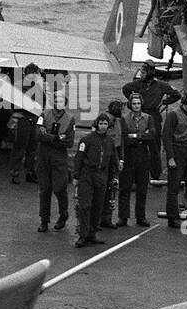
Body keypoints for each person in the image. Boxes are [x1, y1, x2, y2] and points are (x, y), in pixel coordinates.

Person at [122, 63, 180, 180]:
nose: (141, 74)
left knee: (155, 146)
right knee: (136, 143)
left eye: (143, 72)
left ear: (149, 73)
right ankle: (137, 173)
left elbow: (176, 95)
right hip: (140, 113)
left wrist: (164, 102)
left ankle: (155, 175)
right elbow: (126, 89)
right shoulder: (138, 84)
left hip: (153, 115)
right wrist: (133, 101)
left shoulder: (160, 85)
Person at [71, 113, 119, 248]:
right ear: (96, 124)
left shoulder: (110, 141)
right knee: (84, 205)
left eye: (105, 124)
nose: (103, 126)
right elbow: (79, 158)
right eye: (101, 123)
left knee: (98, 206)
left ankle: (92, 233)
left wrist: (114, 175)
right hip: (87, 175)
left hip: (102, 176)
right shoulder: (86, 140)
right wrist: (76, 176)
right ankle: (82, 235)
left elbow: (113, 160)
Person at [35, 87, 75, 233]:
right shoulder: (44, 115)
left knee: (59, 188)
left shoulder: (70, 119)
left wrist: (48, 137)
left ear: (65, 103)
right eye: (56, 100)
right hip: (44, 156)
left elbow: (69, 142)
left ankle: (63, 214)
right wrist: (57, 138)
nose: (58, 103)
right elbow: (38, 135)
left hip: (59, 157)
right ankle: (44, 220)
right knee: (44, 189)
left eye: (61, 100)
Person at [162, 90, 187, 229]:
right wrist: (170, 157)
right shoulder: (173, 115)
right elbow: (166, 136)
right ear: (186, 100)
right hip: (177, 149)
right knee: (174, 187)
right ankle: (172, 218)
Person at [117, 92, 155, 227]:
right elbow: (125, 139)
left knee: (142, 187)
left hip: (143, 155)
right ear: (130, 105)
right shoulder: (124, 119)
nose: (136, 106)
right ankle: (123, 216)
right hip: (129, 155)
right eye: (134, 104)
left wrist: (135, 136)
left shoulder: (148, 118)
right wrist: (141, 136)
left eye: (138, 103)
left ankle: (141, 216)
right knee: (125, 187)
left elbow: (152, 135)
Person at [9, 62, 41, 185]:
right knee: (21, 147)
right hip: (24, 119)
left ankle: (28, 172)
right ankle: (16, 172)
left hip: (31, 119)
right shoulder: (19, 87)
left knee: (31, 147)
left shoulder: (35, 86)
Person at [100, 99, 126, 228]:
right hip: (105, 156)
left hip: (114, 156)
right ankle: (99, 217)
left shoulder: (119, 122)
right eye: (121, 109)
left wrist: (121, 159)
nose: (123, 111)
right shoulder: (105, 121)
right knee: (102, 188)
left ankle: (107, 217)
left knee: (112, 187)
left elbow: (120, 142)